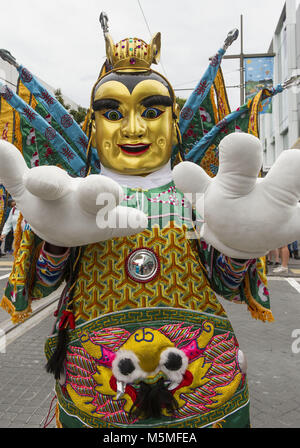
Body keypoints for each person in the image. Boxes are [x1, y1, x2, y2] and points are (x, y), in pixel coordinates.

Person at [1, 28, 300, 429]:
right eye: (112, 114)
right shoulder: (70, 196)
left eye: (152, 110)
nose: (134, 129)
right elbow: (39, 285)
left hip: (203, 380)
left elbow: (227, 286)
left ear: (175, 125)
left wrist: (241, 246)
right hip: (99, 384)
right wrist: (56, 240)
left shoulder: (197, 194)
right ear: (91, 127)